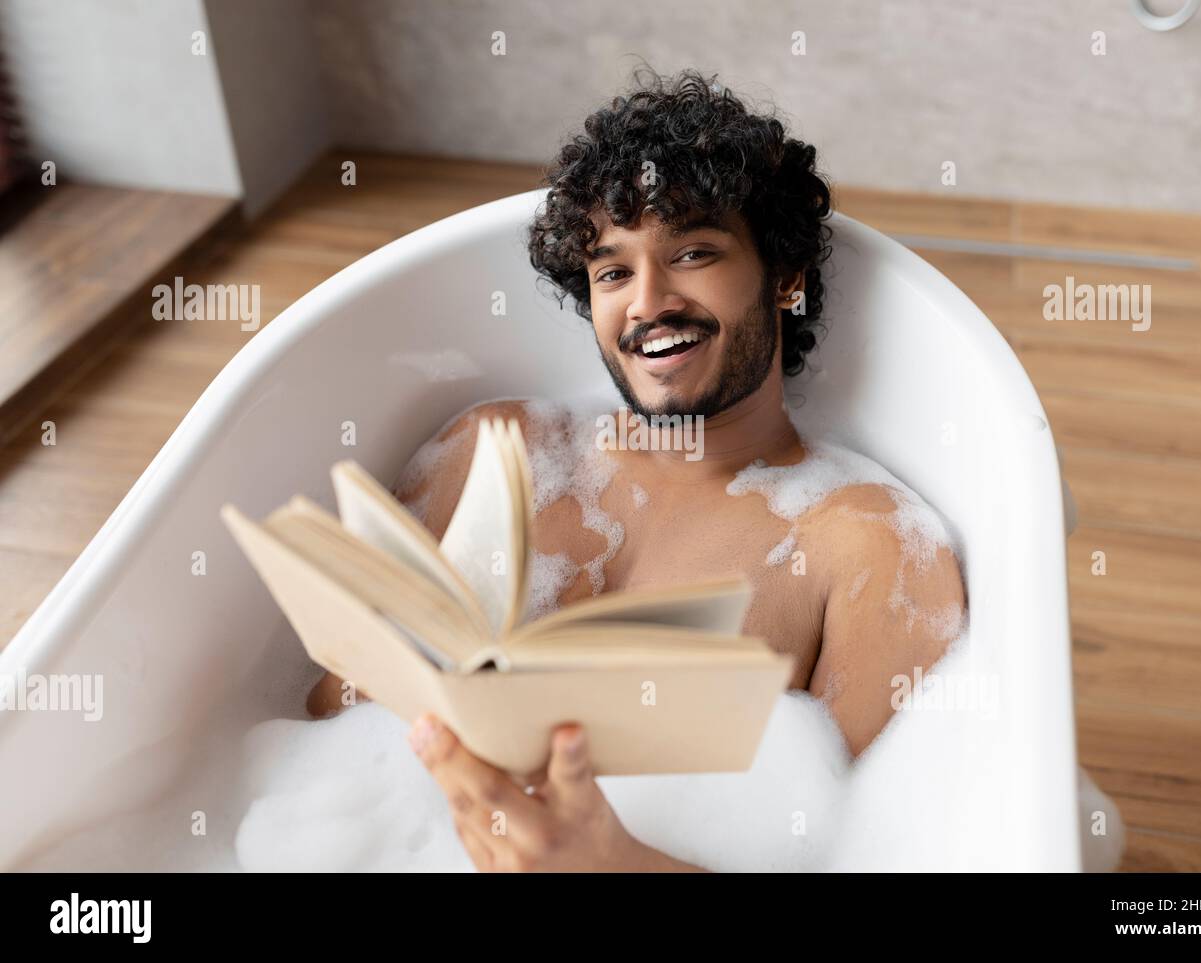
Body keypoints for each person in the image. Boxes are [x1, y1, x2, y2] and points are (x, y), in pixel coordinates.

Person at [308, 66, 966, 872]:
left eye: (693, 252)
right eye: (613, 271)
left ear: (786, 278)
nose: (648, 301)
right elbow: (323, 718)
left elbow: (872, 858)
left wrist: (612, 863)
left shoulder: (863, 547)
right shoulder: (494, 451)